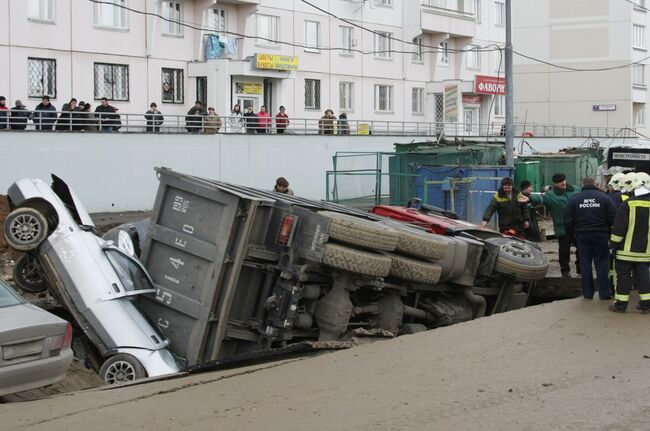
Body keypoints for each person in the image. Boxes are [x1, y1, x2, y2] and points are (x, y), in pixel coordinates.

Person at [564, 177, 617, 299]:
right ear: (595, 184)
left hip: (582, 235)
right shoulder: (605, 198)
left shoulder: (575, 199)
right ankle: (604, 293)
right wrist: (608, 233)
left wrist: (573, 237)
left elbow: (567, 221)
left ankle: (587, 293)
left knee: (585, 264)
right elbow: (613, 217)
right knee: (602, 264)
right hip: (600, 234)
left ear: (582, 184)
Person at [609, 172, 650, 313]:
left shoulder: (627, 204)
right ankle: (646, 305)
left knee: (623, 278)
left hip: (625, 251)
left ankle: (621, 305)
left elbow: (619, 228)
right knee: (644, 277)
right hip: (645, 251)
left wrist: (613, 246)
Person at [526, 173, 580, 278]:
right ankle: (565, 272)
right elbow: (539, 199)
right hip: (562, 228)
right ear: (555, 184)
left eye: (564, 180)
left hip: (577, 227)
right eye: (560, 182)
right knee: (564, 252)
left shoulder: (576, 190)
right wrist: (527, 196)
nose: (563, 183)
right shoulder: (551, 196)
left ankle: (581, 270)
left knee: (581, 249)